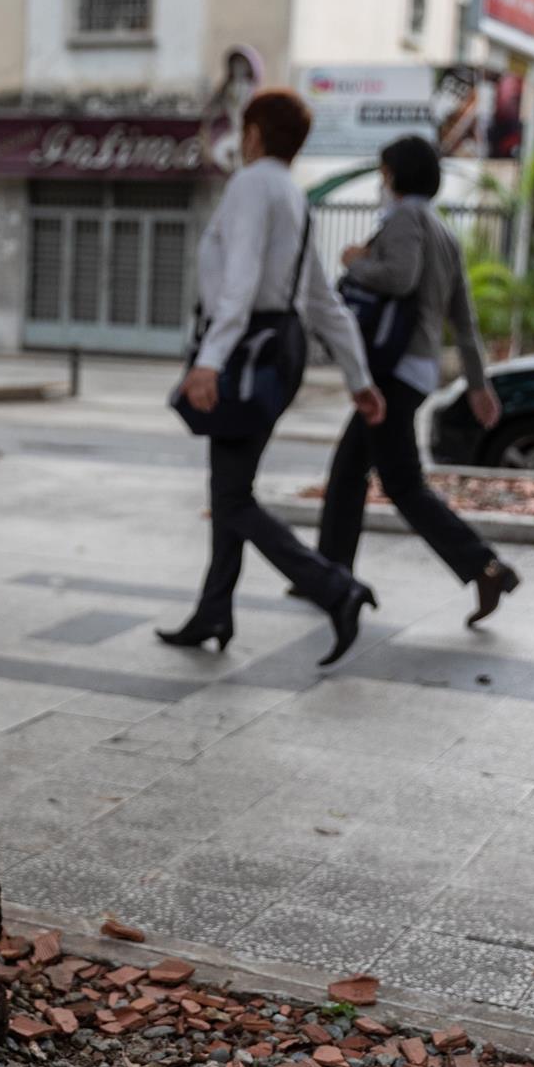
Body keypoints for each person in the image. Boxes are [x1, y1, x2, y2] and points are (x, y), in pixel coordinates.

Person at [158, 88, 388, 668]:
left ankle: (336, 589)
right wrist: (358, 376)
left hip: (246, 347)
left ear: (257, 132)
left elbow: (238, 282)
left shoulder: (253, 183)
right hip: (278, 349)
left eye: (245, 125)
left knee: (233, 497)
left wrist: (209, 361)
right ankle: (214, 610)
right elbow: (320, 300)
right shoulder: (293, 194)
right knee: (228, 490)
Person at [320, 134, 519, 626]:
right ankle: (327, 573)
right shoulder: (443, 230)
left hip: (394, 367)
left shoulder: (406, 218)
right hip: (416, 369)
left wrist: (355, 263)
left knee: (401, 482)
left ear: (395, 175)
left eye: (384, 172)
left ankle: (484, 566)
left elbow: (400, 277)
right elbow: (465, 319)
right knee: (349, 470)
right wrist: (477, 383)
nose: (381, 181)